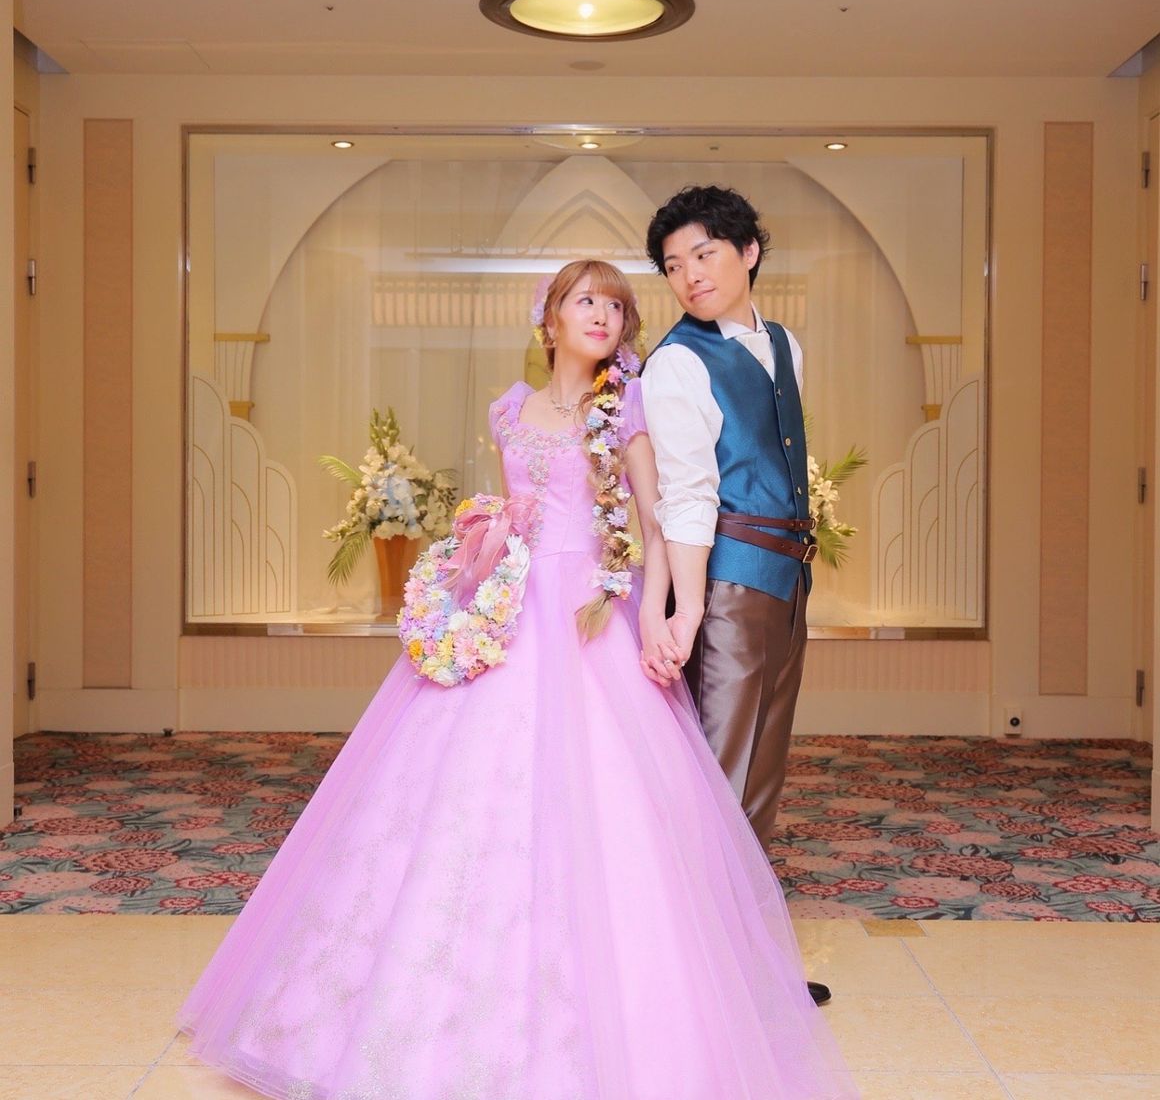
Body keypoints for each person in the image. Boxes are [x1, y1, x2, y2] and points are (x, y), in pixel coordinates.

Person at [178, 260, 854, 1099]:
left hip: (594, 613)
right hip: (514, 607)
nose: (602, 315)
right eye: (584, 301)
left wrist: (655, 614)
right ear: (551, 320)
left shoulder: (628, 406)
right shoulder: (509, 408)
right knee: (456, 802)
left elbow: (652, 521)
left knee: (614, 806)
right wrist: (487, 544)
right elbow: (513, 508)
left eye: (615, 305)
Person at [641, 187, 830, 1006]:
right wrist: (688, 610)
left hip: (787, 582)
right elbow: (686, 495)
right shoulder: (677, 363)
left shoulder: (784, 343)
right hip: (726, 587)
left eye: (704, 254)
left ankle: (747, 970)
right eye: (673, 265)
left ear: (749, 252)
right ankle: (688, 979)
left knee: (761, 780)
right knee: (713, 780)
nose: (689, 275)